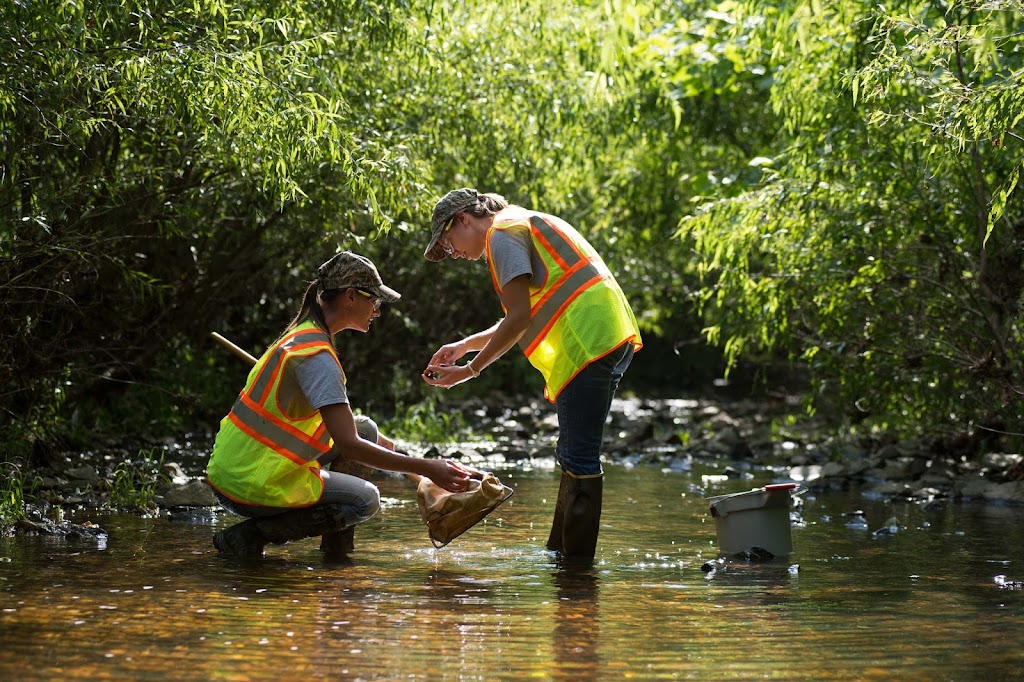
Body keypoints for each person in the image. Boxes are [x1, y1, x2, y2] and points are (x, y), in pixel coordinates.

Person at [420, 188, 642, 559]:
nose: (452, 252)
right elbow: (526, 312)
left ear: (463, 220)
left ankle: (574, 570)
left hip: (585, 341)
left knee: (579, 457)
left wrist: (469, 370)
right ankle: (561, 555)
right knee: (575, 454)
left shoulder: (502, 235)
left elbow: (519, 318)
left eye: (447, 241)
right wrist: (464, 346)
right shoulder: (520, 222)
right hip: (608, 336)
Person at [207, 251, 472, 559]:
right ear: (350, 297)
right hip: (250, 483)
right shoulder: (318, 358)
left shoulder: (301, 335)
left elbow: (346, 431)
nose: (377, 311)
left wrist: (394, 451)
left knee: (367, 430)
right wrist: (426, 468)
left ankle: (336, 551)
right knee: (366, 501)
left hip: (234, 468)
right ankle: (250, 536)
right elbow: (350, 445)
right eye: (374, 301)